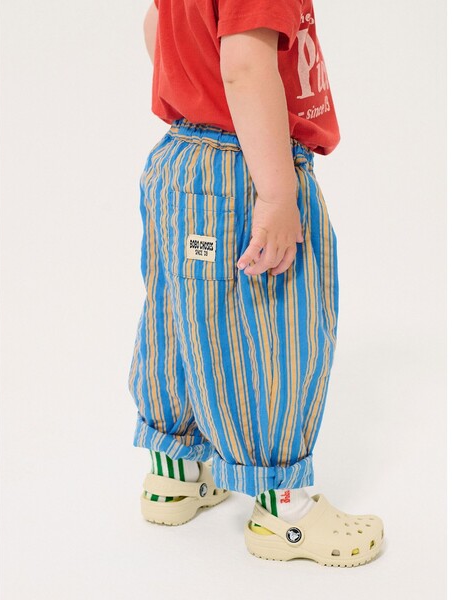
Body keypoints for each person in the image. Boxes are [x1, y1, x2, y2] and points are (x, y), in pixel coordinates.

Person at [128, 0, 384, 566]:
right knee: (274, 331)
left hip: (182, 159)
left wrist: (197, 100)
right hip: (243, 169)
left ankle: (174, 475)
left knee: (179, 316)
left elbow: (156, 25)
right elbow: (244, 64)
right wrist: (275, 193)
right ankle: (283, 511)